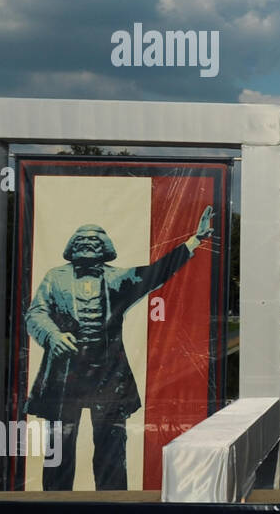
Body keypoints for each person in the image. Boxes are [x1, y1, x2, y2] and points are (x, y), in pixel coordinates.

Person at [24, 206, 215, 490]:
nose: (87, 243)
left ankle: (114, 507)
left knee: (112, 448)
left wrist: (193, 241)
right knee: (59, 448)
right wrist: (52, 335)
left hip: (108, 375)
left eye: (94, 240)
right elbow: (35, 314)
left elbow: (156, 272)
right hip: (65, 377)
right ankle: (53, 507)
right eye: (82, 240)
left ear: (105, 248)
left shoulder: (120, 279)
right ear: (71, 247)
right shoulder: (54, 278)